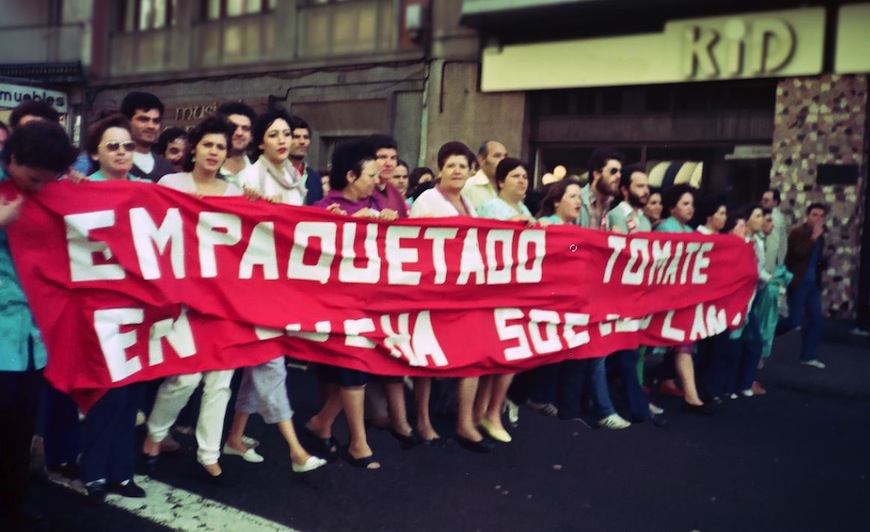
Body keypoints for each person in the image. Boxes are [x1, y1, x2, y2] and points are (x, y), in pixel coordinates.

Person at [223, 109, 326, 474]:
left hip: (282, 280)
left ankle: (235, 438)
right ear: (261, 142)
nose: (284, 140)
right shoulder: (249, 178)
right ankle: (296, 450)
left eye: (287, 134)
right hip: (256, 281)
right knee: (270, 361)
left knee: (263, 359)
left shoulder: (291, 176)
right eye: (274, 135)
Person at [142, 117, 242, 482]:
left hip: (222, 299)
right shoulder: (170, 184)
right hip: (179, 297)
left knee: (220, 380)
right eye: (209, 145)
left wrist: (267, 203)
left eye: (221, 147)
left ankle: (209, 453)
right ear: (194, 148)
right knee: (185, 375)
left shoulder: (235, 194)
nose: (215, 152)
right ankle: (155, 434)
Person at [0, 120, 78, 527]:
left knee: (19, 433)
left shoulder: (52, 187)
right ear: (11, 158)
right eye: (31, 179)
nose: (37, 189)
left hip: (32, 341)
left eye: (46, 182)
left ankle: (15, 503)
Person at [306, 140, 397, 470]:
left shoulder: (383, 203)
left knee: (360, 364)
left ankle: (322, 423)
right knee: (354, 363)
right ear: (350, 176)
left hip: (372, 304)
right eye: (371, 173)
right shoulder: (323, 209)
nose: (377, 179)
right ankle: (358, 443)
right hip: (337, 308)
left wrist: (395, 220)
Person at [80, 113, 153, 503]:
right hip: (97, 309)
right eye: (113, 146)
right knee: (106, 394)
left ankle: (122, 473)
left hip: (139, 309)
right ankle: (93, 471)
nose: (123, 151)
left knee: (130, 397)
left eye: (128, 145)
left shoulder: (148, 190)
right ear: (95, 153)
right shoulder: (78, 190)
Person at [410, 141, 481, 449]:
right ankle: (423, 422)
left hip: (465, 291)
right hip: (433, 291)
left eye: (462, 166)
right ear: (440, 168)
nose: (456, 171)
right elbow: (413, 243)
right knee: (428, 359)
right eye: (450, 165)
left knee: (472, 355)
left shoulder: (469, 202)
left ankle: (465, 423)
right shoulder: (427, 200)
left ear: (470, 171)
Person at [556, 149, 631, 429]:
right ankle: (598, 408)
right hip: (573, 285)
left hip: (594, 287)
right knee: (588, 347)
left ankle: (575, 408)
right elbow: (569, 243)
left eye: (619, 172)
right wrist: (591, 248)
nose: (617, 177)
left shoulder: (609, 207)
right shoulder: (579, 201)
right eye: (612, 171)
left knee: (589, 348)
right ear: (596, 173)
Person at [654, 183, 713, 415]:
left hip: (683, 297)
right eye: (685, 203)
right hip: (666, 296)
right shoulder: (664, 229)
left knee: (682, 343)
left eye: (692, 204)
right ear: (672, 206)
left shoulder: (690, 232)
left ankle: (690, 395)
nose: (690, 208)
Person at [780, 203, 829, 369]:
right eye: (814, 214)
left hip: (813, 284)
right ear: (807, 215)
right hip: (798, 283)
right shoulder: (798, 233)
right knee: (793, 321)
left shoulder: (821, 236)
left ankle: (808, 356)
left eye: (821, 216)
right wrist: (813, 238)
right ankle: (768, 333)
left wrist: (825, 260)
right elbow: (798, 253)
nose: (818, 219)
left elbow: (818, 261)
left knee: (816, 320)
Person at [120, 91, 176, 181]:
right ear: (126, 121)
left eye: (156, 121)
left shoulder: (166, 167)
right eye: (143, 119)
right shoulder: (115, 161)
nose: (151, 126)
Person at [287, 114, 324, 206]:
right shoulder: (275, 171)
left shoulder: (315, 177)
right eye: (296, 137)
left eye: (306, 137)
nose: (302, 142)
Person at [369, 135, 408, 217]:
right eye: (382, 157)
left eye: (393, 158)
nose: (389, 164)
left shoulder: (396, 194)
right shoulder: (360, 191)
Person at [461, 140, 508, 210]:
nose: (503, 160)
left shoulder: (509, 186)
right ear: (481, 160)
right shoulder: (470, 187)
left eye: (505, 156)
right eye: (497, 156)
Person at [217, 101, 256, 185]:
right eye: (233, 127)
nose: (239, 133)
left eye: (245, 128)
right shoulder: (208, 170)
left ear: (252, 136)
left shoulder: (260, 171)